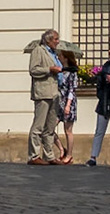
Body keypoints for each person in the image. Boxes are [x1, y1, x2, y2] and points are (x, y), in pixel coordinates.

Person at [26, 27, 63, 164]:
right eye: (56, 39)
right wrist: (49, 69)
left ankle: (49, 155)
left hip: (54, 92)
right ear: (48, 40)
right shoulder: (38, 51)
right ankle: (34, 155)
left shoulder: (54, 53)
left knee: (50, 127)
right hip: (43, 92)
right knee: (38, 126)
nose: (58, 42)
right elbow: (33, 70)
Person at [85, 38, 110, 166]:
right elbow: (100, 84)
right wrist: (101, 96)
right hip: (105, 101)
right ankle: (93, 157)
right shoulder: (107, 65)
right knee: (99, 131)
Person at [55, 46, 80, 163]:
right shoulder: (60, 71)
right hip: (58, 102)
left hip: (68, 102)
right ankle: (61, 149)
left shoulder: (72, 72)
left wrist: (68, 105)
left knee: (68, 130)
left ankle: (69, 155)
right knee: (48, 129)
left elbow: (72, 89)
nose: (58, 57)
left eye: (60, 55)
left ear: (65, 57)